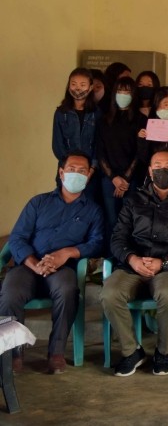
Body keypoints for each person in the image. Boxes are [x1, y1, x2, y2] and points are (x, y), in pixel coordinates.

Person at [101, 149, 168, 377]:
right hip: (132, 266)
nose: (162, 170)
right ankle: (132, 351)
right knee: (109, 294)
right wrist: (131, 258)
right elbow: (117, 237)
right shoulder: (134, 199)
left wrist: (166, 261)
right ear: (149, 170)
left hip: (167, 267)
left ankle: (162, 352)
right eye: (157, 166)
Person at [1, 151, 104, 374]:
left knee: (68, 290)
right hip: (28, 266)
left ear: (89, 175)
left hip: (62, 270)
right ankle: (13, 354)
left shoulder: (93, 211)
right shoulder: (38, 203)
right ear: (61, 172)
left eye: (82, 171)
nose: (76, 174)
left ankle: (56, 353)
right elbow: (17, 237)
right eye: (71, 170)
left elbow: (97, 243)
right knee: (10, 292)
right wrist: (34, 263)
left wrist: (67, 252)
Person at [96, 76, 145, 241]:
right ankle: (111, 257)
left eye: (127, 92)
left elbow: (140, 153)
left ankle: (128, 255)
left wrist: (125, 179)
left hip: (132, 178)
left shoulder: (140, 120)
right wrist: (113, 178)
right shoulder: (103, 120)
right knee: (111, 219)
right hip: (108, 178)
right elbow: (100, 151)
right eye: (119, 91)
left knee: (129, 219)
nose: (123, 95)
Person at [53, 68, 101, 166]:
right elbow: (57, 144)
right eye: (73, 84)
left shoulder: (97, 113)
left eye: (83, 85)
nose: (77, 89)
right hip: (66, 168)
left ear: (91, 87)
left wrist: (92, 167)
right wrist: (68, 165)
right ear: (69, 86)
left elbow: (99, 143)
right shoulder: (61, 112)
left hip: (91, 169)